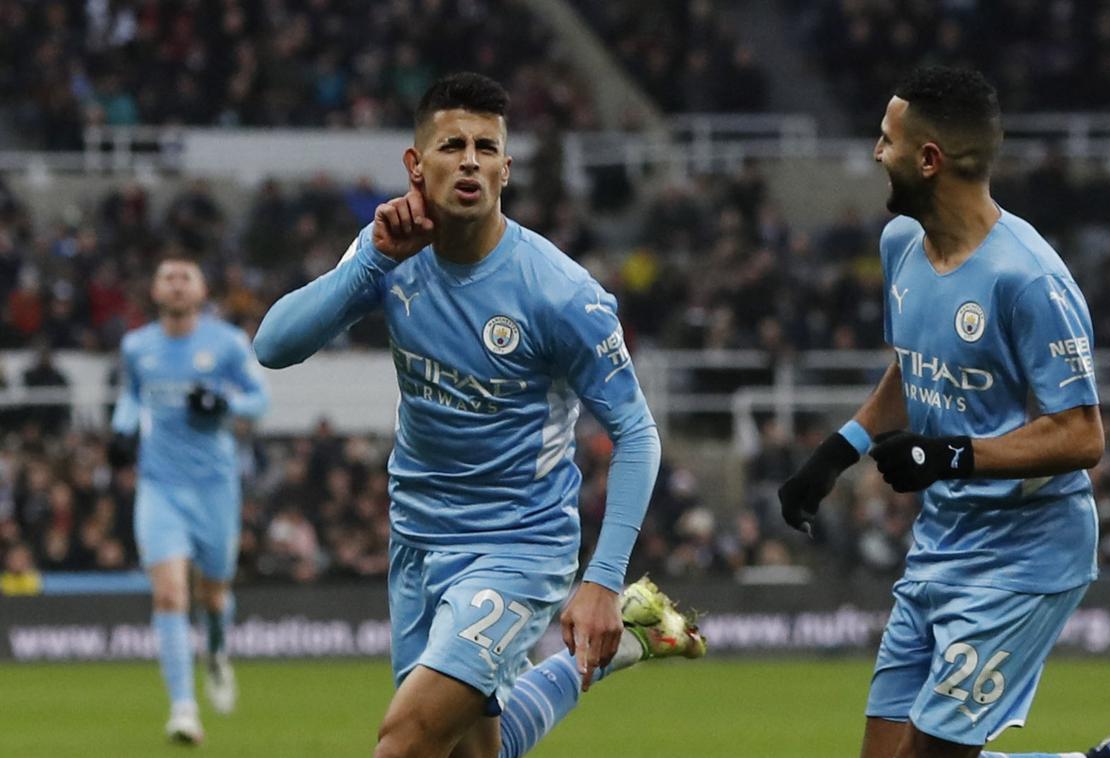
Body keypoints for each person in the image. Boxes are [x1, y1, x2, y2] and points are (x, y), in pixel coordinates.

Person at [253, 72, 704, 758]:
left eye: (486, 147)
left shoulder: (559, 294)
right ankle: (627, 646)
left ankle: (620, 625)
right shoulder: (389, 252)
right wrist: (370, 261)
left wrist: (602, 580)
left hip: (518, 545)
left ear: (506, 168)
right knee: (473, 752)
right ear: (416, 164)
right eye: (453, 144)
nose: (470, 160)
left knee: (405, 742)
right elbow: (274, 345)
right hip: (417, 537)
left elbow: (637, 434)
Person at [777, 67, 1110, 758]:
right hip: (940, 544)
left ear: (928, 159)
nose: (874, 153)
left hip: (1024, 554)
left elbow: (1081, 434)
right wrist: (837, 453)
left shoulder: (1029, 278)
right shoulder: (900, 246)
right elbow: (914, 368)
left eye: (885, 140)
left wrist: (948, 455)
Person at [110, 256, 269, 744]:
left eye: (185, 278)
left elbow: (259, 401)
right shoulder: (136, 346)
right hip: (159, 486)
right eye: (167, 278)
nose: (176, 286)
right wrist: (122, 426)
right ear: (155, 290)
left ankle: (217, 653)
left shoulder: (226, 343)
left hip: (215, 488)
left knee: (213, 594)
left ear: (201, 290)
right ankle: (183, 708)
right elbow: (134, 395)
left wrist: (225, 405)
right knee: (170, 594)